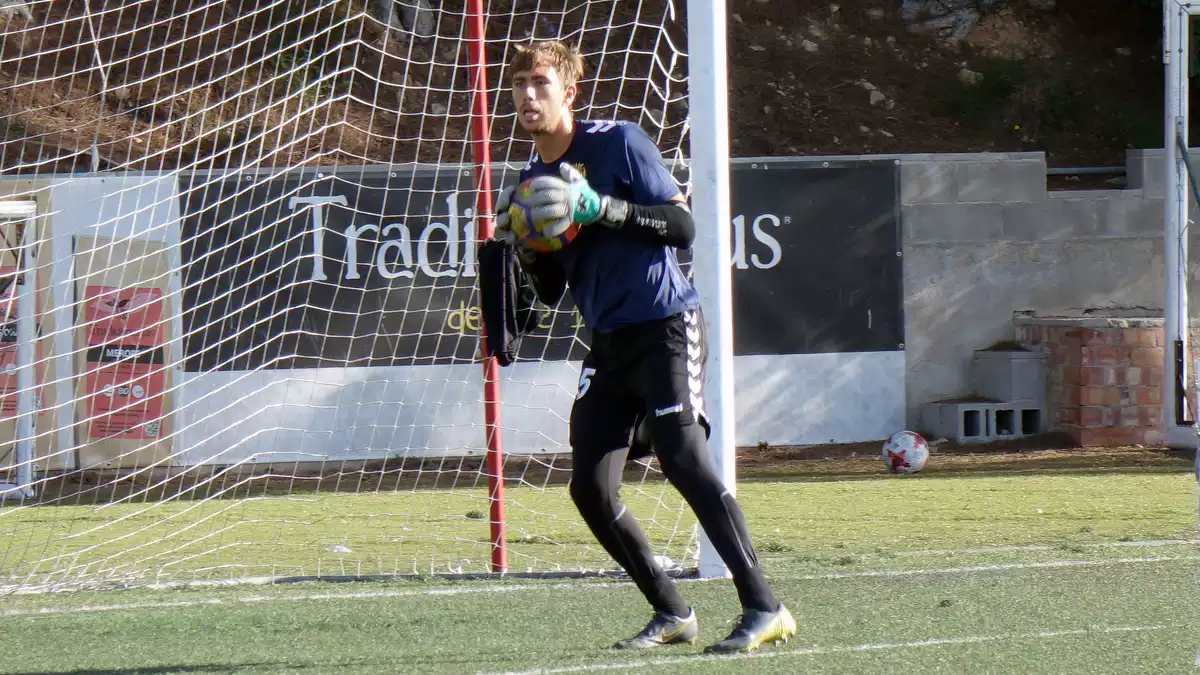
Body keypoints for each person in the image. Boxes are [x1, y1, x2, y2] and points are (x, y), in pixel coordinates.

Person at [491, 40, 795, 654]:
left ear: (568, 91)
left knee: (683, 458)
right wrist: (525, 246)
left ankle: (765, 605)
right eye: (520, 82)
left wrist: (600, 207)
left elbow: (681, 227)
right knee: (590, 488)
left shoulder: (619, 143)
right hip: (608, 344)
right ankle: (673, 611)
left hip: (664, 326)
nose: (528, 94)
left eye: (542, 82)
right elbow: (552, 290)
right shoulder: (530, 181)